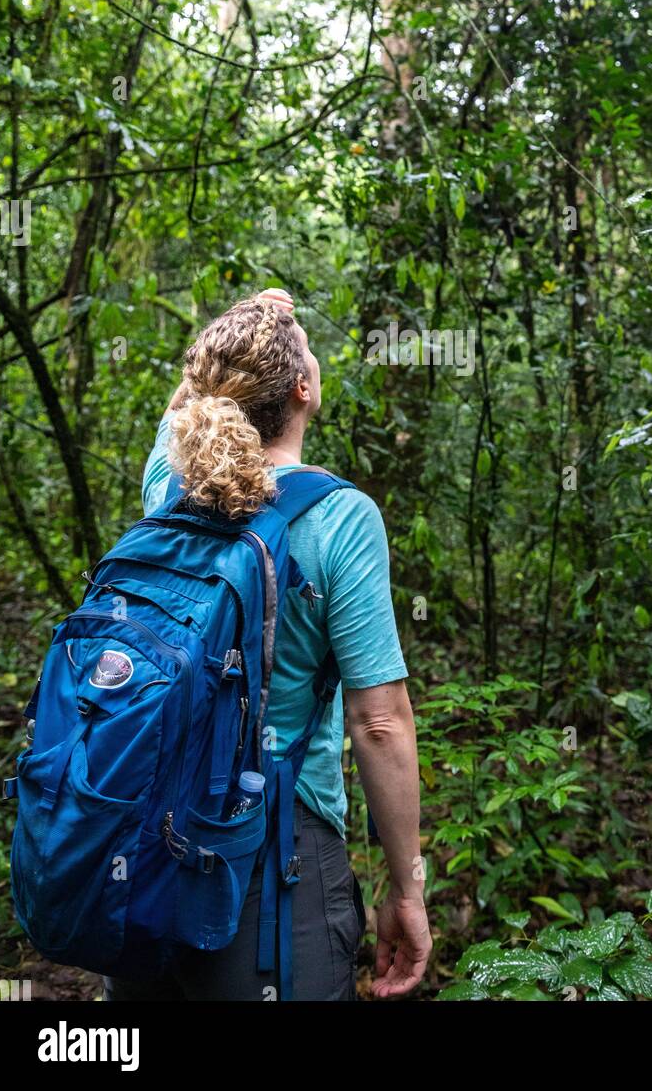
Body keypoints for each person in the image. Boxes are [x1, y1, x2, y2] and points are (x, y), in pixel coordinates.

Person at [103, 288, 431, 1001]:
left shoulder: (171, 489)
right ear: (305, 389)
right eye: (308, 349)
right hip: (281, 845)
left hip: (146, 837)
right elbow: (378, 723)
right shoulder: (341, 517)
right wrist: (406, 887)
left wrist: (233, 332)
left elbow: (180, 412)